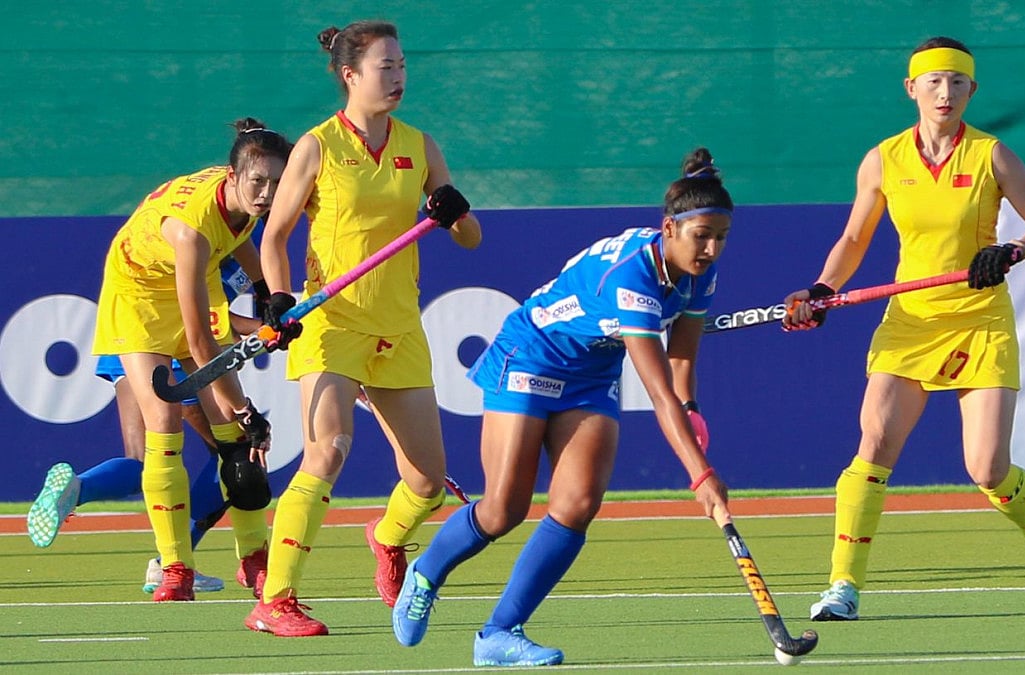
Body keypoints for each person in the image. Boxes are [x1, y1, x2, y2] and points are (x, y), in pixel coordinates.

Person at [391, 147, 732, 667]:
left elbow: (681, 358)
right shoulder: (631, 279)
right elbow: (657, 388)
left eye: (720, 238)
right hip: (531, 354)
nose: (709, 248)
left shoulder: (699, 274)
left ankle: (499, 633)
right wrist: (700, 474)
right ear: (669, 229)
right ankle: (426, 574)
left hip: (591, 373)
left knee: (577, 505)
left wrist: (693, 407)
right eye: (700, 236)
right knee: (504, 509)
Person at [781, 36, 1025, 620]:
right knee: (873, 447)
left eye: (957, 82)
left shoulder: (992, 155)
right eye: (933, 81)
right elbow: (854, 239)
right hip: (910, 322)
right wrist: (820, 290)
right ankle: (843, 586)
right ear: (911, 89)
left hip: (979, 319)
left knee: (987, 467)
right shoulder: (883, 159)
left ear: (972, 91)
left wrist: (1013, 249)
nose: (946, 93)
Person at [248, 20, 481, 638]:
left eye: (402, 64)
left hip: (398, 326)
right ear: (350, 75)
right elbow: (274, 237)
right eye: (386, 66)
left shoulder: (419, 145)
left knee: (427, 479)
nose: (399, 76)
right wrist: (275, 298)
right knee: (329, 449)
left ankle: (386, 537)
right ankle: (276, 599)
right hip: (333, 321)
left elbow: (470, 237)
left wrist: (454, 212)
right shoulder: (318, 145)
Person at [91, 117, 296, 602]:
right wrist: (245, 410)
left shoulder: (243, 201)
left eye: (275, 183)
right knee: (165, 423)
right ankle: (175, 569)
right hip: (139, 295)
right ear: (232, 176)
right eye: (258, 182)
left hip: (191, 276)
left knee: (237, 447)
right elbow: (202, 348)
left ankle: (256, 561)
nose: (266, 194)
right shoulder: (192, 234)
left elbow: (240, 238)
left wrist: (268, 293)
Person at [27, 258, 272, 594]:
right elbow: (195, 303)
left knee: (146, 462)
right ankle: (171, 559)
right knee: (232, 454)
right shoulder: (220, 227)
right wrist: (259, 327)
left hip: (129, 342)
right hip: (171, 347)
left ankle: (79, 489)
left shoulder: (240, 228)